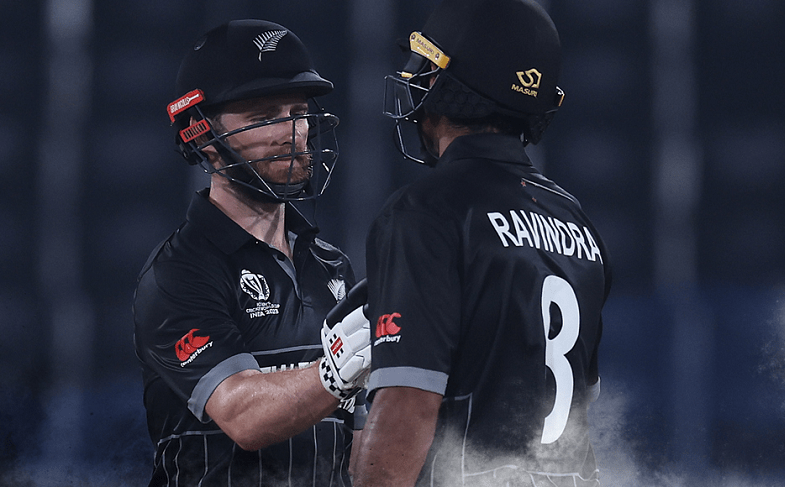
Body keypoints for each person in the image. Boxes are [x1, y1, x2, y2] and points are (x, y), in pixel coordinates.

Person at [352, 1, 612, 486]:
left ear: (452, 85)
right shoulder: (578, 222)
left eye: (429, 67)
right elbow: (580, 411)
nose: (418, 79)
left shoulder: (423, 212)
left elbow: (409, 404)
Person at [133, 19, 371, 486]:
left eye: (298, 112)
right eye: (263, 118)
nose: (292, 132)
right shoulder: (177, 273)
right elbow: (243, 417)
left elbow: (358, 446)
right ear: (201, 136)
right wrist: (336, 372)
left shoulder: (332, 265)